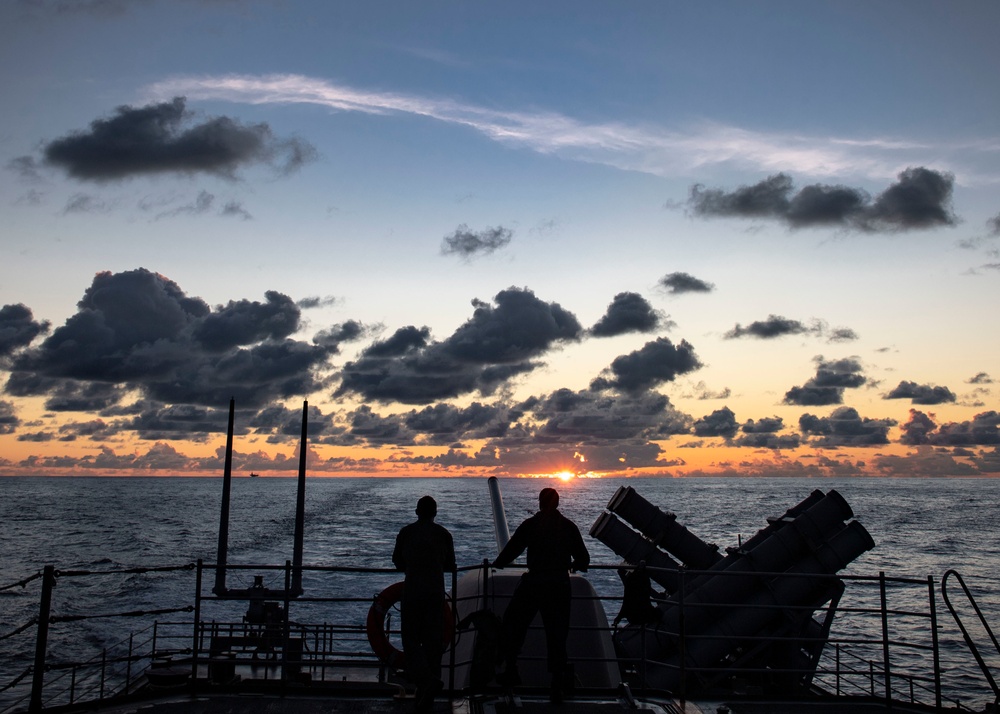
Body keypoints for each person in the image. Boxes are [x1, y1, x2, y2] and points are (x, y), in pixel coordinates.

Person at [492, 487, 590, 703]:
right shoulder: (568, 527)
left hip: (535, 583)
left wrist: (496, 564)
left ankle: (511, 668)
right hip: (559, 586)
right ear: (557, 503)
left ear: (540, 502)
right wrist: (572, 565)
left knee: (513, 624)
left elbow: (512, 550)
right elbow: (584, 559)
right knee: (557, 635)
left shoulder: (531, 525)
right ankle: (556, 685)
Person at [393, 496, 456, 711]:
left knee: (410, 640)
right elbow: (450, 563)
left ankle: (426, 682)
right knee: (433, 642)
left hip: (412, 590)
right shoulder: (444, 535)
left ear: (417, 511)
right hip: (434, 591)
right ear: (435, 512)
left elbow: (397, 561)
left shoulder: (406, 533)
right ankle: (429, 688)